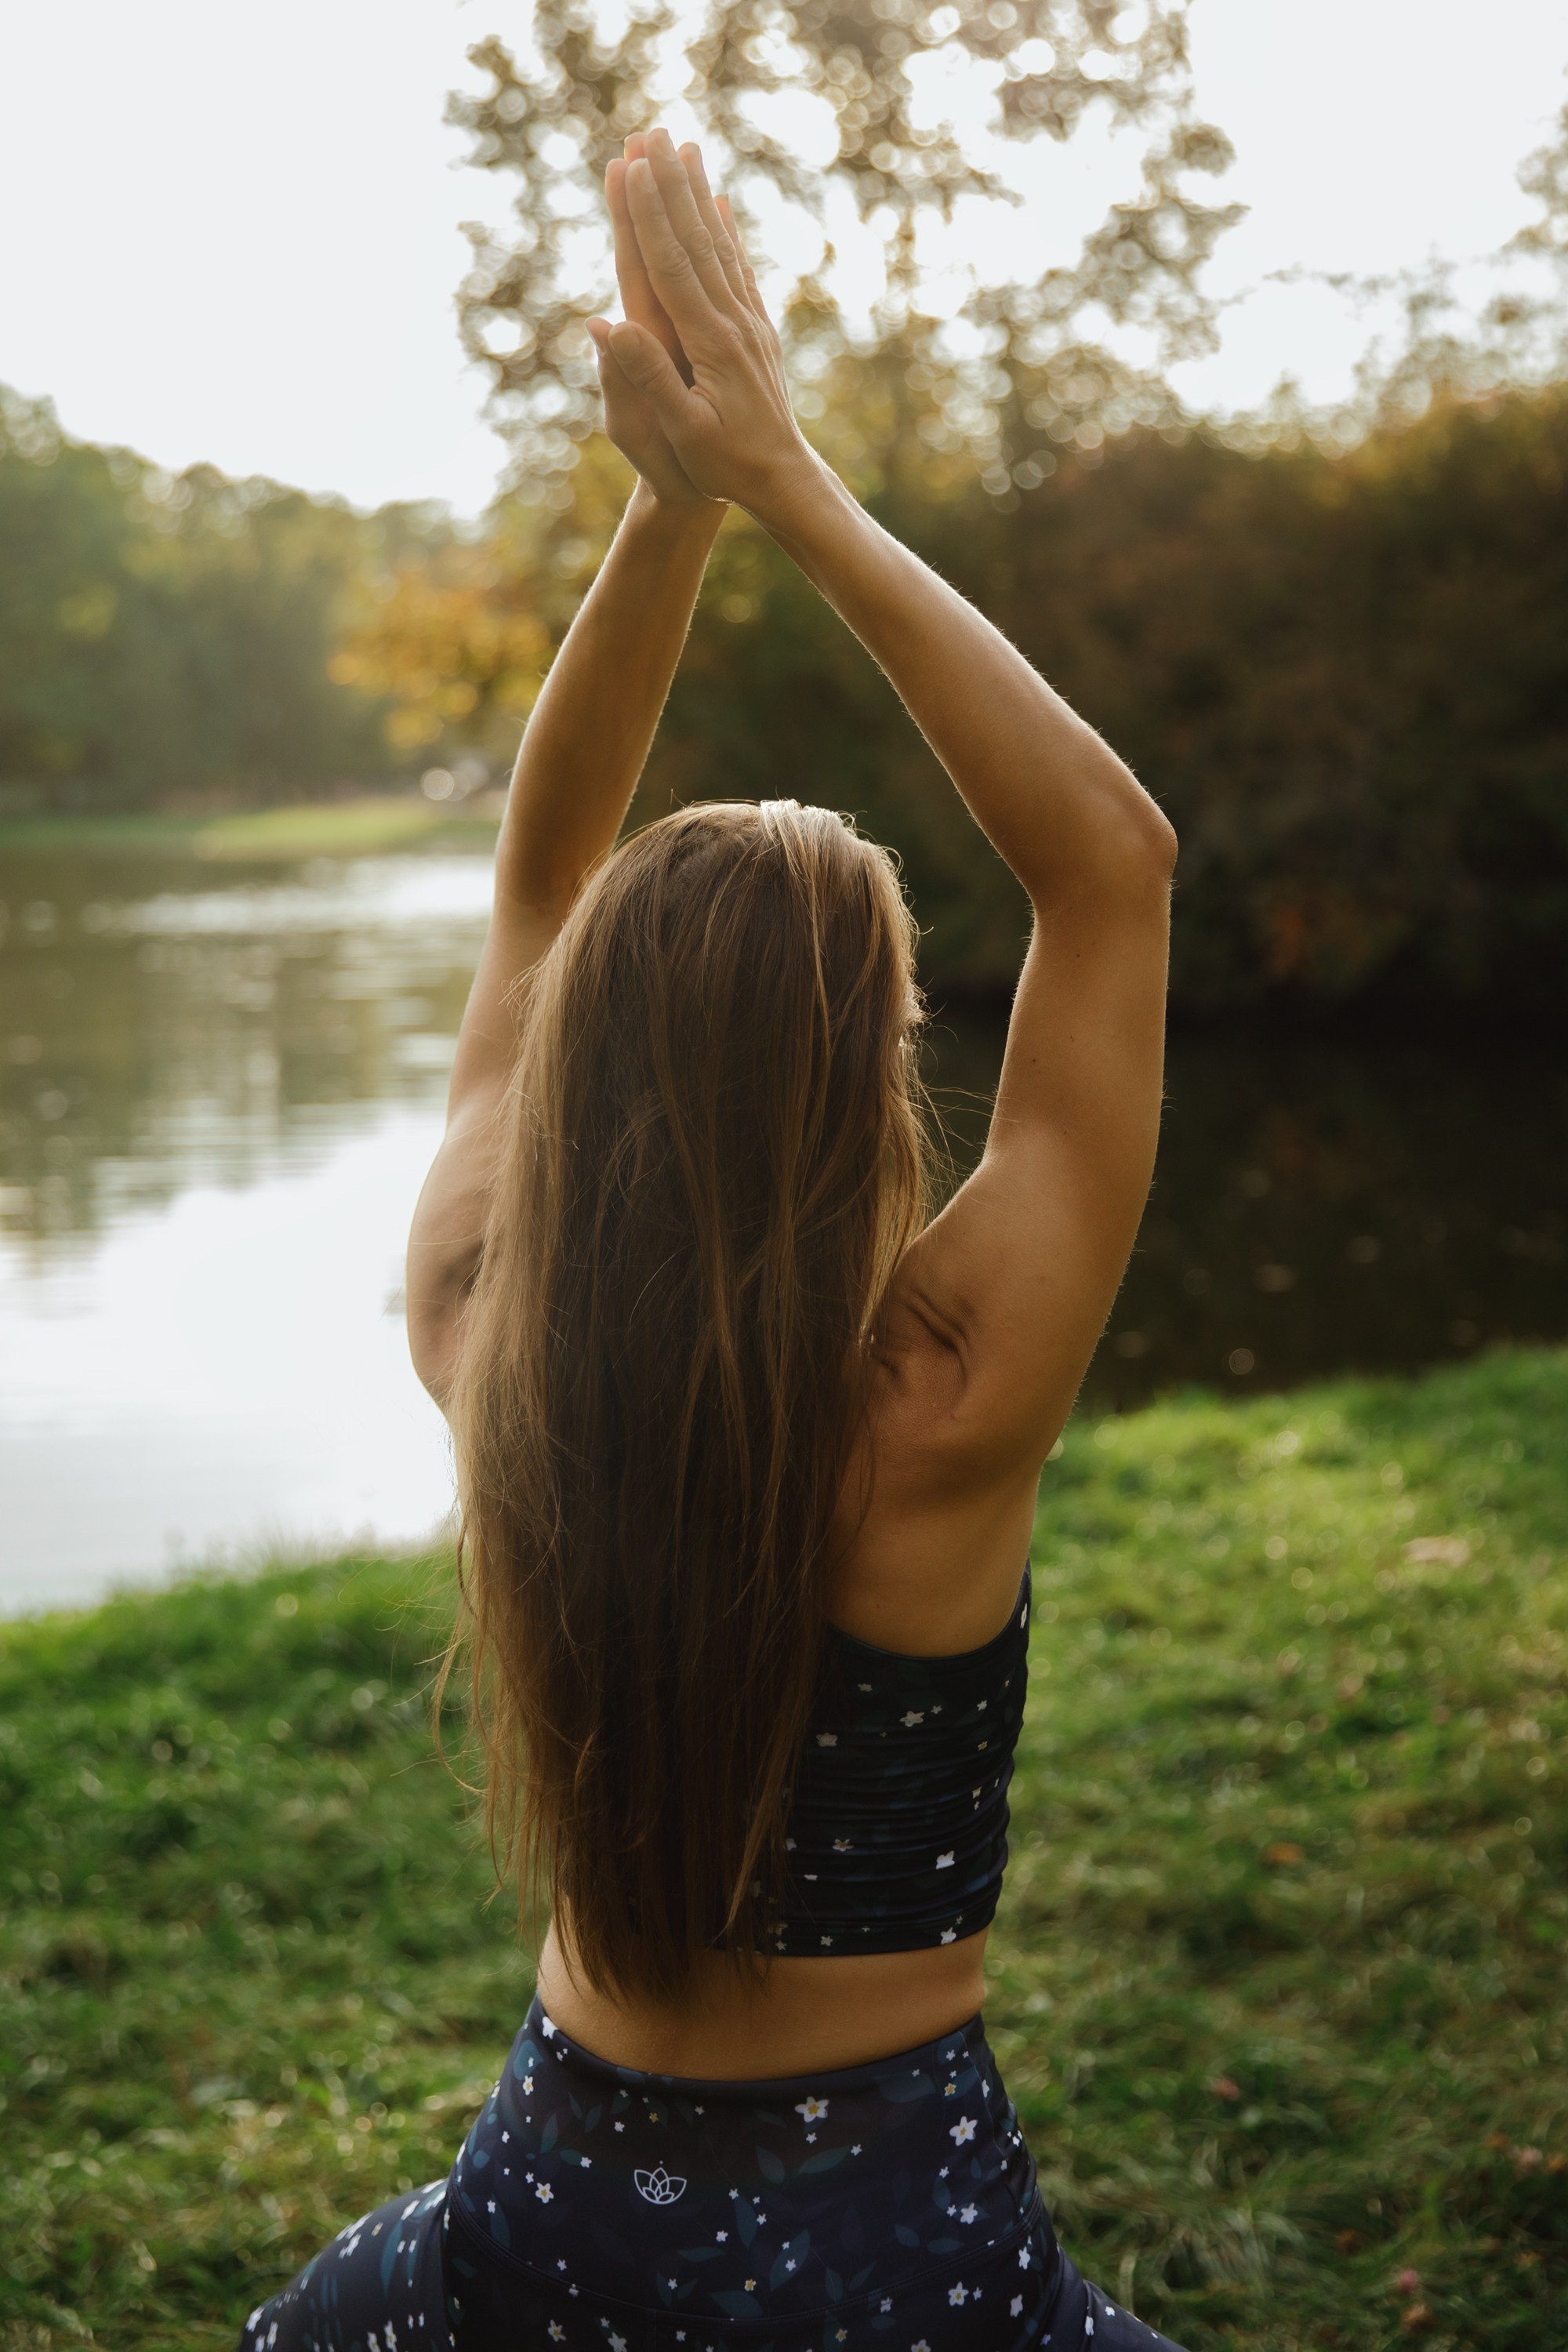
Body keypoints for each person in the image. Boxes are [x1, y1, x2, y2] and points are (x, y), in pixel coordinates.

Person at [239, 125, 1182, 2352]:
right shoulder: (940, 1404)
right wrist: (782, 480)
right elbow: (1114, 870)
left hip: (553, 2204)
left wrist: (663, 499)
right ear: (871, 1073)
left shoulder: (491, 1335)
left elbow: (539, 880)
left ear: (586, 1070)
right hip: (902, 2232)